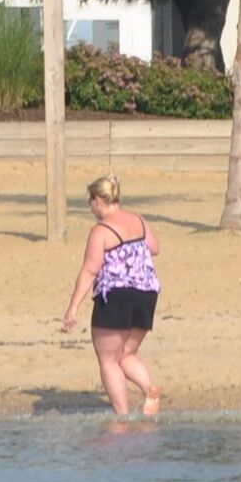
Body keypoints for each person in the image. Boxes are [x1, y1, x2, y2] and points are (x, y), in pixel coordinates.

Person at [60, 173, 165, 420]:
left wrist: (73, 306)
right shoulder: (138, 220)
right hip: (147, 293)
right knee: (124, 355)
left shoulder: (101, 230)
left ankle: (122, 417)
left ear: (98, 200)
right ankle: (149, 390)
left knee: (108, 360)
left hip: (116, 296)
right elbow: (154, 247)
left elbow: (89, 270)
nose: (91, 207)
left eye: (90, 201)